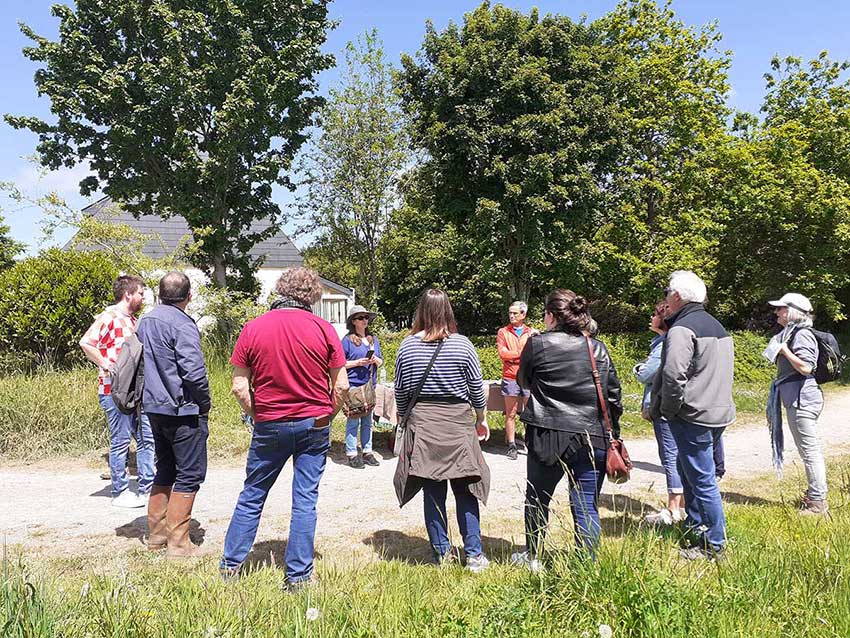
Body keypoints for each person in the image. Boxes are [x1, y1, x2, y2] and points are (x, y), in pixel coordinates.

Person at [220, 267, 349, 589]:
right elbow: (342, 386)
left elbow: (239, 386)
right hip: (313, 423)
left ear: (281, 291)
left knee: (253, 493)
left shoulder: (253, 328)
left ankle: (230, 566)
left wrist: (256, 415)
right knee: (305, 498)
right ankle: (298, 575)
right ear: (312, 296)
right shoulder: (323, 329)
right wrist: (328, 416)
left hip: (270, 423)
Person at [511, 290, 623, 569]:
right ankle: (587, 564)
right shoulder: (597, 348)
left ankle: (534, 556)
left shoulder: (537, 344)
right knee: (586, 504)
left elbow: (523, 380)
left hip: (547, 432)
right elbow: (613, 398)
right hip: (591, 434)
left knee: (537, 498)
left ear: (550, 316)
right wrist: (614, 435)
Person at [392, 289, 491, 573]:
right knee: (466, 490)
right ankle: (473, 554)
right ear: (448, 311)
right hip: (458, 424)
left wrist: (404, 418)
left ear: (420, 312)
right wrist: (480, 417)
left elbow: (400, 391)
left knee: (432, 490)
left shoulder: (407, 346)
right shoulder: (463, 345)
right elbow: (476, 388)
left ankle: (441, 554)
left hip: (423, 424)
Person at [649, 270, 735, 560]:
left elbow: (674, 375)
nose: (665, 301)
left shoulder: (682, 329)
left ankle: (714, 544)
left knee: (702, 479)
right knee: (691, 473)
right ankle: (696, 525)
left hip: (693, 414)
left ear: (676, 296)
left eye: (667, 295)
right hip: (718, 411)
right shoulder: (717, 326)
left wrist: (667, 411)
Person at [137, 271, 211, 556]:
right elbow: (193, 372)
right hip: (182, 409)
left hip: (153, 407)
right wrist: (204, 401)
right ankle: (179, 545)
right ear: (189, 296)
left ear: (159, 295)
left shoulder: (145, 320)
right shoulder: (183, 324)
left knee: (165, 469)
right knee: (190, 474)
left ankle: (156, 536)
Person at [80, 275, 154, 509]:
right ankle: (120, 491)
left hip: (133, 391)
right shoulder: (110, 316)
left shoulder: (132, 320)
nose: (143, 297)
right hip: (113, 391)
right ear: (128, 294)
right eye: (141, 293)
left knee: (144, 438)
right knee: (121, 440)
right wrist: (106, 365)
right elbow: (87, 342)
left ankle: (147, 489)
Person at [766, 293, 827, 515]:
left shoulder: (802, 335)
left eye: (781, 308)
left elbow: (806, 368)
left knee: (810, 452)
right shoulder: (792, 333)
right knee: (808, 450)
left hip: (803, 399)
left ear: (792, 312)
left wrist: (784, 350)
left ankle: (818, 503)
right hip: (798, 397)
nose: (777, 313)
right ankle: (814, 495)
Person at [634, 300, 685, 526]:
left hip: (663, 407)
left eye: (654, 314)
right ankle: (681, 504)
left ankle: (674, 508)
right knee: (676, 455)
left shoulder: (664, 344)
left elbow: (647, 374)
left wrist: (637, 368)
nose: (651, 318)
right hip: (673, 405)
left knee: (670, 455)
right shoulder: (667, 341)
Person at [341, 305, 383, 468]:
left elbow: (380, 360)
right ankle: (351, 454)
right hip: (353, 386)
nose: (365, 320)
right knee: (353, 421)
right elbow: (340, 363)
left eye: (366, 317)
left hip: (369, 385)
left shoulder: (373, 339)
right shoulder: (347, 341)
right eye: (361, 318)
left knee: (367, 421)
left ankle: (367, 451)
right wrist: (357, 363)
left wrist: (375, 360)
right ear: (353, 321)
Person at [496, 301, 537, 460]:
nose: (512, 316)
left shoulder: (531, 332)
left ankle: (530, 443)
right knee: (510, 413)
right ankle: (512, 445)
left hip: (528, 376)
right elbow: (503, 354)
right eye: (510, 313)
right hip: (510, 376)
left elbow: (534, 354)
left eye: (515, 313)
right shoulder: (503, 332)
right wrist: (522, 353)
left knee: (530, 413)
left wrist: (515, 355)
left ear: (523, 315)